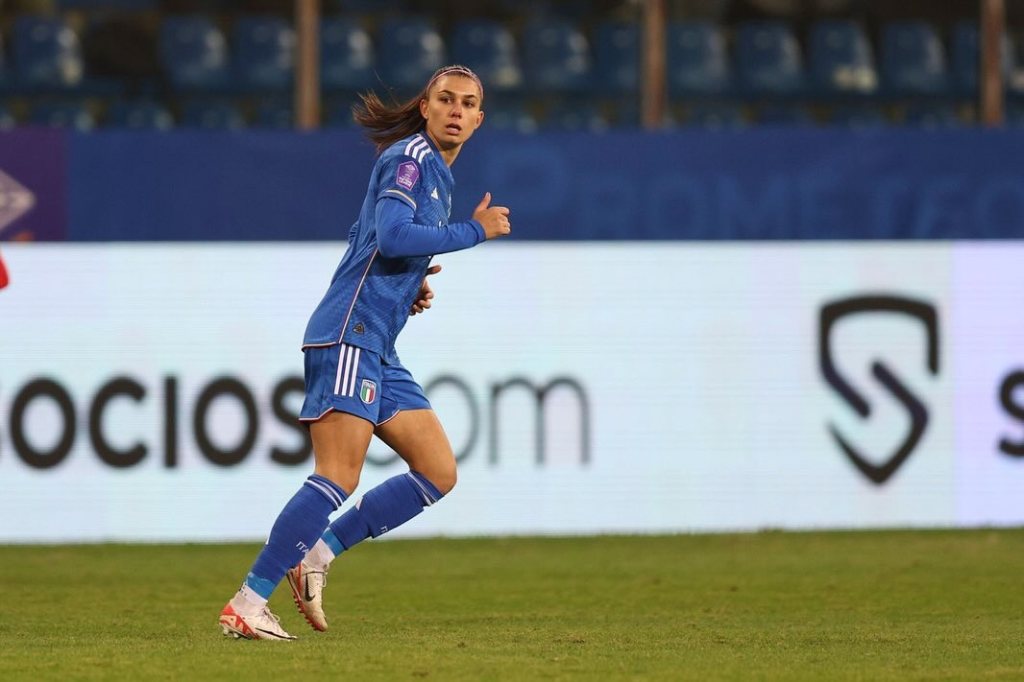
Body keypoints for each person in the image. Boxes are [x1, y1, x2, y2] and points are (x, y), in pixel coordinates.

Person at [218, 64, 511, 641]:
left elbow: (371, 243)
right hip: (350, 332)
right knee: (337, 474)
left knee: (437, 470)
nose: (455, 110)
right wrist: (475, 231)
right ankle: (247, 602)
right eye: (445, 99)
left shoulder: (438, 175)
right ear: (425, 107)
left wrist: (408, 286)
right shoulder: (410, 159)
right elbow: (395, 235)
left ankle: (318, 554)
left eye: (466, 103)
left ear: (479, 119)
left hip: (379, 342)